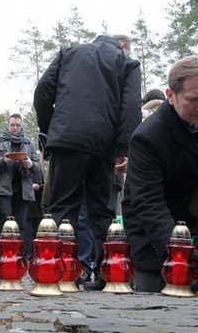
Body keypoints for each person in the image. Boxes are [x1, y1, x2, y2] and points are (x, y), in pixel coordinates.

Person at [34, 33, 141, 289]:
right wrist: (124, 148)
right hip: (102, 143)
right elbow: (130, 106)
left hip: (66, 140)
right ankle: (111, 274)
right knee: (102, 211)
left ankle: (57, 270)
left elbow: (42, 92)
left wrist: (52, 129)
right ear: (122, 46)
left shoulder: (68, 52)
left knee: (62, 208)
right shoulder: (127, 63)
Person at [123, 56, 198, 292]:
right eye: (193, 99)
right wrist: (179, 252)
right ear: (170, 94)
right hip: (156, 227)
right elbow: (149, 203)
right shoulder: (148, 137)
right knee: (163, 291)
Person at [0, 114, 40, 251]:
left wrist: (30, 165)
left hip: (23, 190)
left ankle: (21, 256)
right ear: (8, 124)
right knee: (3, 221)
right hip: (3, 189)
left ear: (21, 125)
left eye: (17, 125)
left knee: (22, 224)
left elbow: (37, 168)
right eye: (12, 124)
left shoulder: (28, 143)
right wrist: (3, 161)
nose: (15, 127)